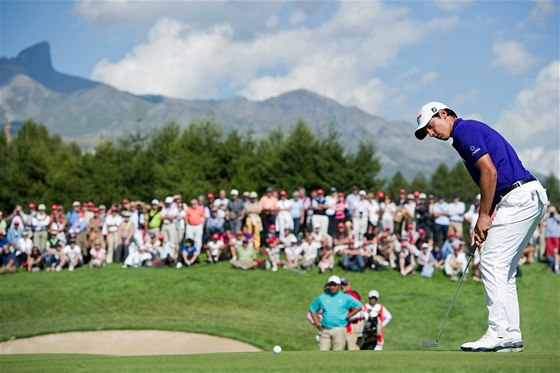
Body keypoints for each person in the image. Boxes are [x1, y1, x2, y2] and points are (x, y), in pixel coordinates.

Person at [415, 102, 548, 352]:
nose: (431, 134)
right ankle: (510, 334)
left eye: (430, 127)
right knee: (504, 270)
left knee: (491, 262)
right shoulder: (462, 136)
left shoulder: (464, 130)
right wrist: (485, 219)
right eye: (427, 132)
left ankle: (498, 332)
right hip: (525, 197)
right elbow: (492, 178)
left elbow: (489, 173)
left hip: (519, 196)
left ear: (443, 114)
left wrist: (483, 215)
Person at [309, 275, 363, 351]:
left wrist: (348, 316)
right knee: (322, 352)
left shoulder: (345, 297)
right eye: (331, 285)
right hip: (325, 329)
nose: (333, 287)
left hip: (339, 329)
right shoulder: (322, 297)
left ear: (339, 286)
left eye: (335, 285)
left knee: (337, 353)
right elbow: (313, 309)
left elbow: (359, 306)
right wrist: (317, 323)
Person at [340, 277, 363, 350]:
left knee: (351, 348)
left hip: (353, 324)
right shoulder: (343, 296)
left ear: (349, 285)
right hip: (346, 325)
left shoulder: (352, 295)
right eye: (341, 284)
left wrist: (346, 318)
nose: (342, 286)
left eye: (344, 284)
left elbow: (358, 313)